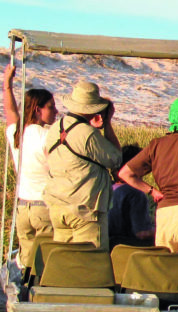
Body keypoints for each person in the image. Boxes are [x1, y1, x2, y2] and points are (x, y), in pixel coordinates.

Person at [119, 98, 178, 267]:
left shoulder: (156, 145)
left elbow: (126, 173)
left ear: (171, 116)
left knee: (165, 267)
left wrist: (152, 191)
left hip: (164, 213)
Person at [43, 80, 121, 248]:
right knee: (90, 265)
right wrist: (107, 124)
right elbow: (115, 159)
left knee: (66, 263)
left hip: (58, 206)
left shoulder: (55, 128)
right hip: (84, 211)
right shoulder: (88, 134)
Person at [1, 64, 57, 270]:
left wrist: (7, 85)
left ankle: (24, 292)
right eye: (51, 107)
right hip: (44, 206)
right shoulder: (46, 135)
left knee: (26, 260)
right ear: (37, 109)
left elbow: (9, 110)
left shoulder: (17, 132)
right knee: (46, 261)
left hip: (23, 207)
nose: (56, 111)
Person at [108, 144, 155, 248]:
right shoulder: (135, 194)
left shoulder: (106, 187)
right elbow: (142, 233)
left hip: (106, 246)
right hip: (124, 249)